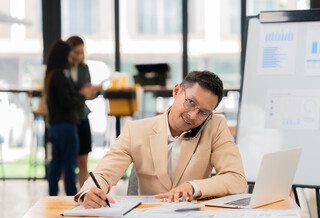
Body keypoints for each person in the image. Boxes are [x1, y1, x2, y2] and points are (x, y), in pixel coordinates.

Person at [74, 71, 247, 208]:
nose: (193, 115)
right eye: (191, 103)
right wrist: (89, 192)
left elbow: (236, 179)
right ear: (177, 91)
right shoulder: (136, 130)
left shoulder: (215, 126)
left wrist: (193, 187)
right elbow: (104, 174)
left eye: (203, 112)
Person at [44, 40, 94, 196]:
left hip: (54, 126)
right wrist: (82, 95)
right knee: (69, 164)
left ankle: (52, 197)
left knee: (56, 164)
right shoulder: (60, 76)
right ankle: (73, 198)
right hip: (67, 125)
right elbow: (67, 102)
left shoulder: (51, 75)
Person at [66, 36, 102, 188]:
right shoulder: (61, 70)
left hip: (82, 116)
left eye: (81, 53)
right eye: (76, 52)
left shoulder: (84, 68)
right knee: (68, 161)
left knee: (83, 161)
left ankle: (82, 194)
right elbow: (67, 97)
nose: (79, 56)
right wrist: (81, 93)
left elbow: (86, 94)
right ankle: (68, 194)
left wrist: (94, 92)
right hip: (67, 118)